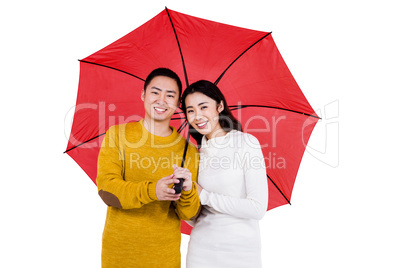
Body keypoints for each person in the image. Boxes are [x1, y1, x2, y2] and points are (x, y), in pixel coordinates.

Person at [96, 68, 201, 267]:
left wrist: (187, 190)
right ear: (143, 94)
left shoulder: (189, 151)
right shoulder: (118, 135)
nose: (161, 100)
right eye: (155, 92)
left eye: (170, 95)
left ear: (178, 103)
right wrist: (152, 190)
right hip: (119, 255)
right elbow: (106, 191)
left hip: (164, 256)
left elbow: (188, 214)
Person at [181, 80, 268, 268]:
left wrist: (204, 195)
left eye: (203, 107)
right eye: (190, 110)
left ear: (219, 106)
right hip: (200, 251)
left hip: (241, 250)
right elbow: (194, 218)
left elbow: (257, 208)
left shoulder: (246, 143)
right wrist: (183, 195)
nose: (197, 116)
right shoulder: (194, 154)